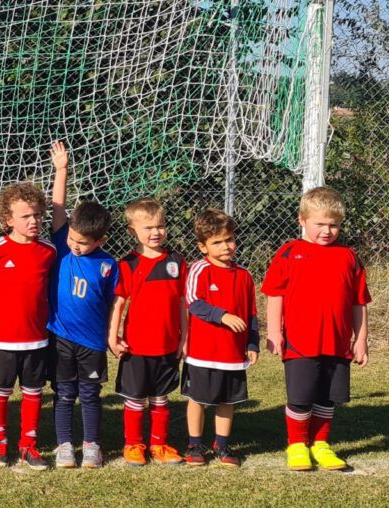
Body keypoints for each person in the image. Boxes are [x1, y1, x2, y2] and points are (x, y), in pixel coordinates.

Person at [261, 186, 370, 471]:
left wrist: (361, 339)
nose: (326, 231)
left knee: (327, 397)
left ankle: (320, 444)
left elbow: (359, 302)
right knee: (301, 397)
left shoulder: (349, 257)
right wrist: (274, 332)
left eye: (333, 225)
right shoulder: (289, 252)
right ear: (302, 220)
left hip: (337, 342)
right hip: (300, 342)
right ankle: (297, 445)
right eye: (319, 224)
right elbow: (275, 294)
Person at [46, 142, 118, 469]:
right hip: (60, 337)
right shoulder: (62, 244)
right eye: (72, 239)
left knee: (89, 394)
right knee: (63, 393)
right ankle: (64, 445)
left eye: (83, 243)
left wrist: (111, 336)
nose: (75, 245)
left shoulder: (108, 265)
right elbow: (58, 208)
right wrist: (61, 170)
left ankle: (91, 445)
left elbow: (115, 303)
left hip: (92, 344)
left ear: (100, 241)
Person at [0, 182, 56, 470]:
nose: (33, 221)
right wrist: (0, 299)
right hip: (3, 339)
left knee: (34, 391)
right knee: (1, 391)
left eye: (37, 215)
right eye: (25, 216)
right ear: (8, 220)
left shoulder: (48, 251)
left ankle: (28, 444)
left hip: (37, 338)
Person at [107, 197, 186, 467]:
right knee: (135, 398)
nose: (156, 232)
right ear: (133, 231)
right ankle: (133, 444)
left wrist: (184, 338)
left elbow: (182, 303)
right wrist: (112, 337)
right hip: (136, 346)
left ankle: (159, 444)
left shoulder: (177, 261)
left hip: (168, 344)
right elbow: (119, 304)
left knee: (161, 398)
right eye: (148, 227)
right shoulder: (128, 264)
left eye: (160, 226)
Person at [182, 208, 258, 467]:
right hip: (203, 353)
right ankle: (194, 445)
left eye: (229, 239)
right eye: (217, 242)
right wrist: (222, 315)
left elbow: (251, 313)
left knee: (228, 401)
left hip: (233, 354)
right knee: (198, 400)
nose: (226, 246)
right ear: (203, 247)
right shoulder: (199, 269)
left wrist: (252, 343)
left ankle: (222, 446)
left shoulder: (244, 275)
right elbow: (193, 302)